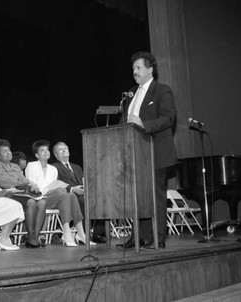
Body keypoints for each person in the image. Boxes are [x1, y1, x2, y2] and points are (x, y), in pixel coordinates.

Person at [117, 51, 177, 249]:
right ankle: (139, 237)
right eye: (133, 68)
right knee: (138, 197)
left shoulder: (162, 91)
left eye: (138, 67)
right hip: (134, 154)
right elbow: (123, 121)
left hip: (155, 152)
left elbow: (168, 118)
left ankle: (158, 238)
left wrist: (144, 124)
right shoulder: (130, 93)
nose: (134, 71)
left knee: (155, 196)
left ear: (150, 69)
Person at [25, 140, 94, 247]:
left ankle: (80, 233)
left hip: (52, 197)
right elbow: (34, 188)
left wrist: (55, 189)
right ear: (36, 155)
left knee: (70, 195)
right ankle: (68, 233)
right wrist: (52, 189)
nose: (46, 152)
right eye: (42, 150)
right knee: (64, 193)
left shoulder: (53, 169)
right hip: (38, 199)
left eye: (47, 150)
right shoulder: (32, 165)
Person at [0, 139, 47, 248]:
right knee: (31, 202)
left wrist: (32, 184)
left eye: (9, 150)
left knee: (42, 203)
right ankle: (30, 236)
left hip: (22, 194)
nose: (8, 153)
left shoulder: (15, 166)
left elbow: (24, 179)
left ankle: (35, 236)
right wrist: (27, 184)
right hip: (9, 195)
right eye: (4, 151)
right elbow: (6, 182)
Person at [52, 142, 107, 244]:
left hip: (82, 193)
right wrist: (73, 189)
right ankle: (83, 235)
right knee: (82, 201)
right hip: (68, 195)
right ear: (55, 155)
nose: (64, 150)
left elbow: (83, 181)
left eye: (65, 148)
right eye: (60, 149)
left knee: (102, 200)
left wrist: (86, 187)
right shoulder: (54, 167)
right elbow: (57, 184)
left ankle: (98, 233)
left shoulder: (77, 167)